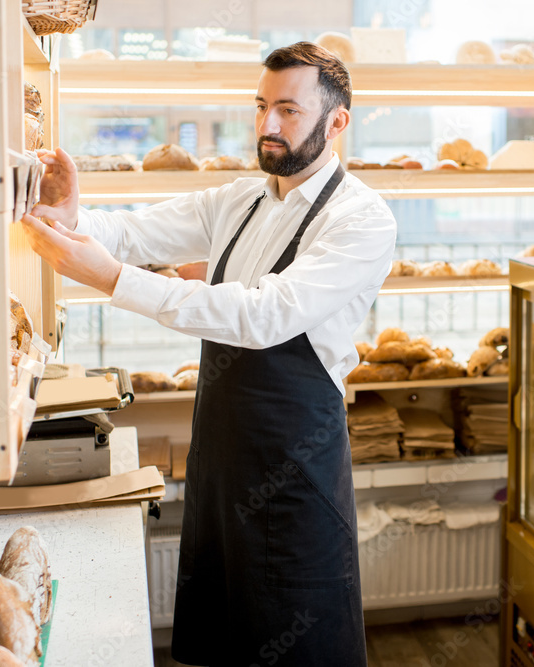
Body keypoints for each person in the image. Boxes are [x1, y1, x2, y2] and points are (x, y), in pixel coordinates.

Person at [21, 42, 396, 667]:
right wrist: (73, 216)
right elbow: (135, 230)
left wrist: (114, 278)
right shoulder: (240, 201)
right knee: (226, 641)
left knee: (299, 643)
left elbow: (262, 315)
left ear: (338, 122)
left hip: (295, 471)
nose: (268, 126)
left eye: (288, 110)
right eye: (260, 107)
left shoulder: (360, 221)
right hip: (222, 460)